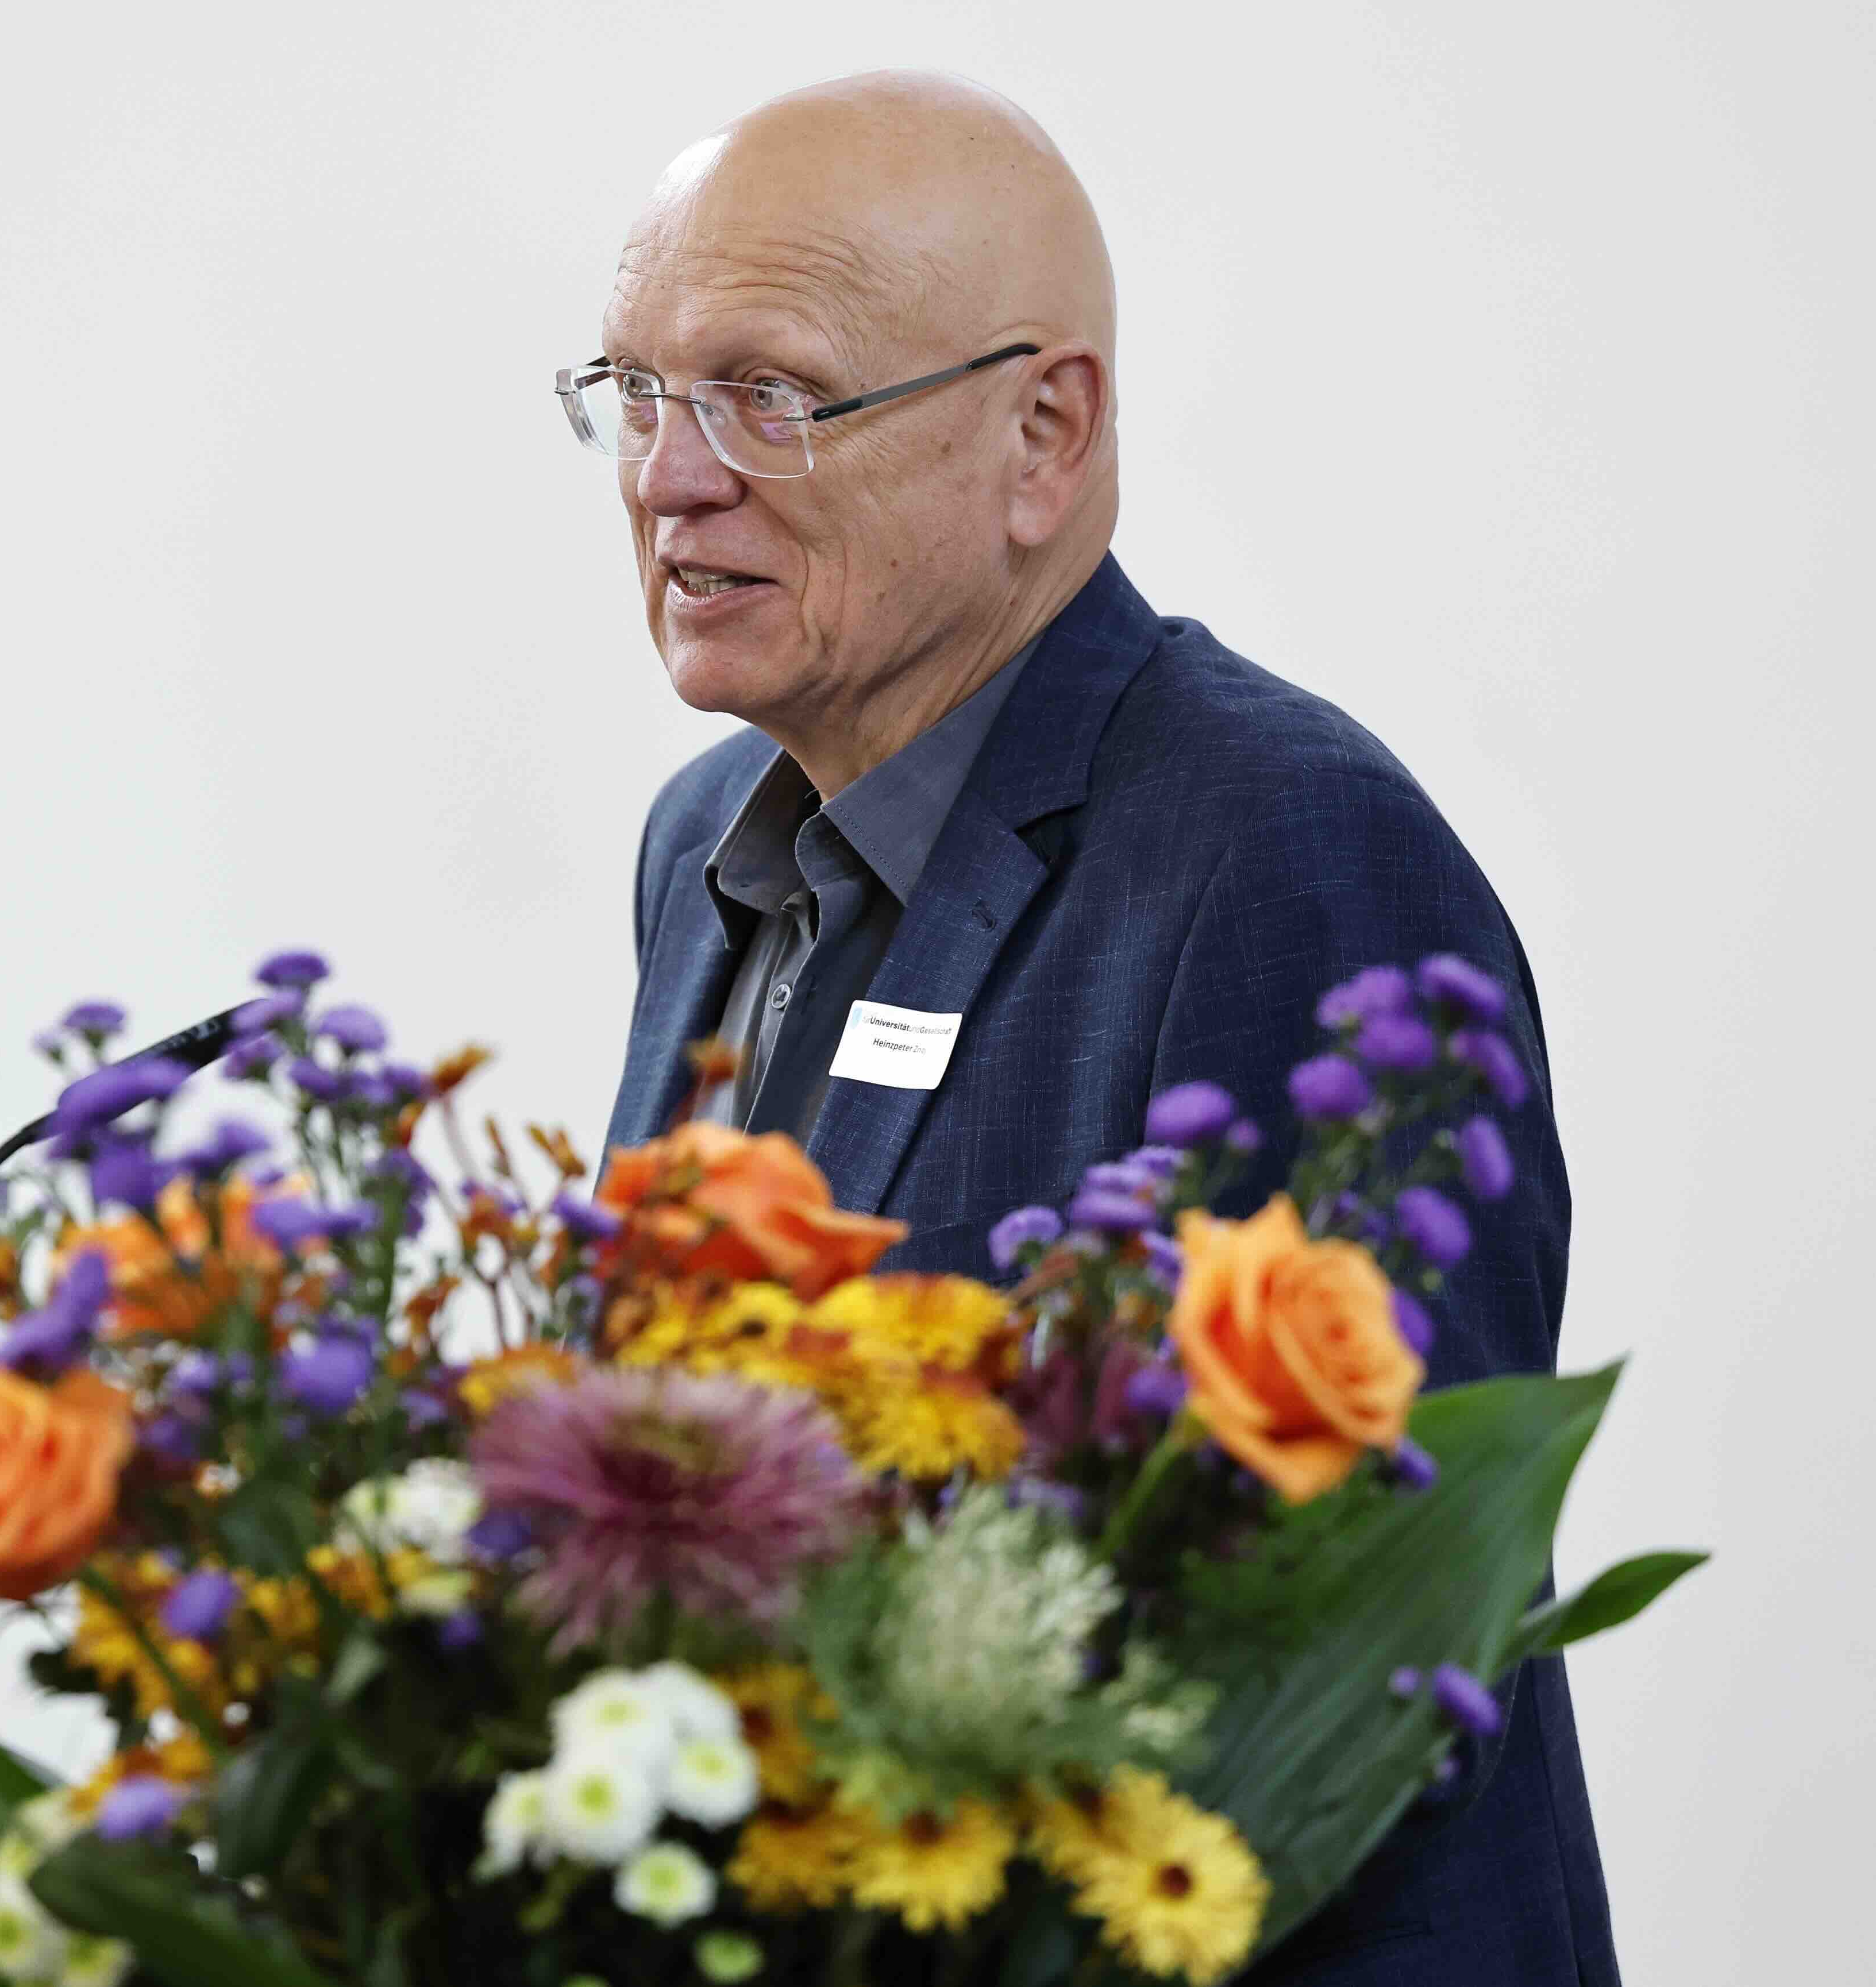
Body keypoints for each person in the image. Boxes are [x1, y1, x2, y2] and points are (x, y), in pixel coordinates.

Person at [582, 72, 1611, 1985]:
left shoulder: (1286, 855)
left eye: (770, 394)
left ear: (1043, 434)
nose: (668, 473)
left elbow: (1362, 1683)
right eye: (635, 390)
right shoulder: (698, 848)